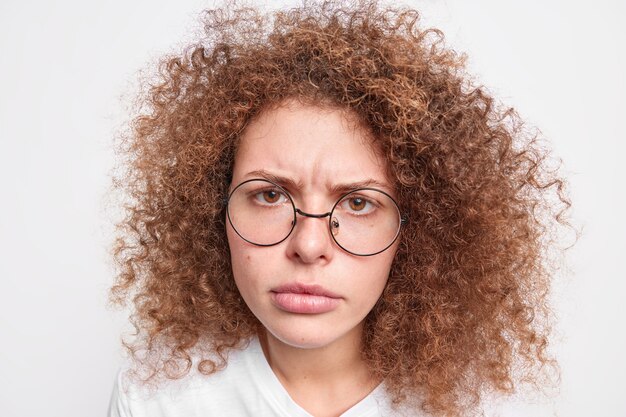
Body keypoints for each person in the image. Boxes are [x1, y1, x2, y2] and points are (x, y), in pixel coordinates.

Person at [108, 1, 570, 416]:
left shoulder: (482, 406)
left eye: (357, 202)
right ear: (214, 211)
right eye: (270, 195)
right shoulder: (157, 398)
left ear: (417, 230)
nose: (309, 246)